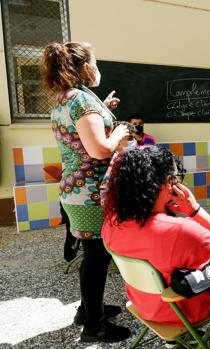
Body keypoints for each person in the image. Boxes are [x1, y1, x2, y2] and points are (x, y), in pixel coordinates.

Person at [102, 146, 210, 346]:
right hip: (180, 311)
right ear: (162, 184)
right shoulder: (178, 230)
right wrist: (194, 210)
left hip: (144, 305)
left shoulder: (112, 221)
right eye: (175, 176)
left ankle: (177, 339)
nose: (178, 181)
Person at [42, 41, 131, 342]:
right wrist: (118, 131)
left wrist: (103, 108)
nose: (97, 68)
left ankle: (87, 309)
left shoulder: (64, 98)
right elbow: (100, 150)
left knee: (92, 255)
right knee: (96, 257)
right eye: (95, 62)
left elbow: (82, 135)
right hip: (91, 193)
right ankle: (95, 326)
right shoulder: (80, 100)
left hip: (76, 190)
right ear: (83, 67)